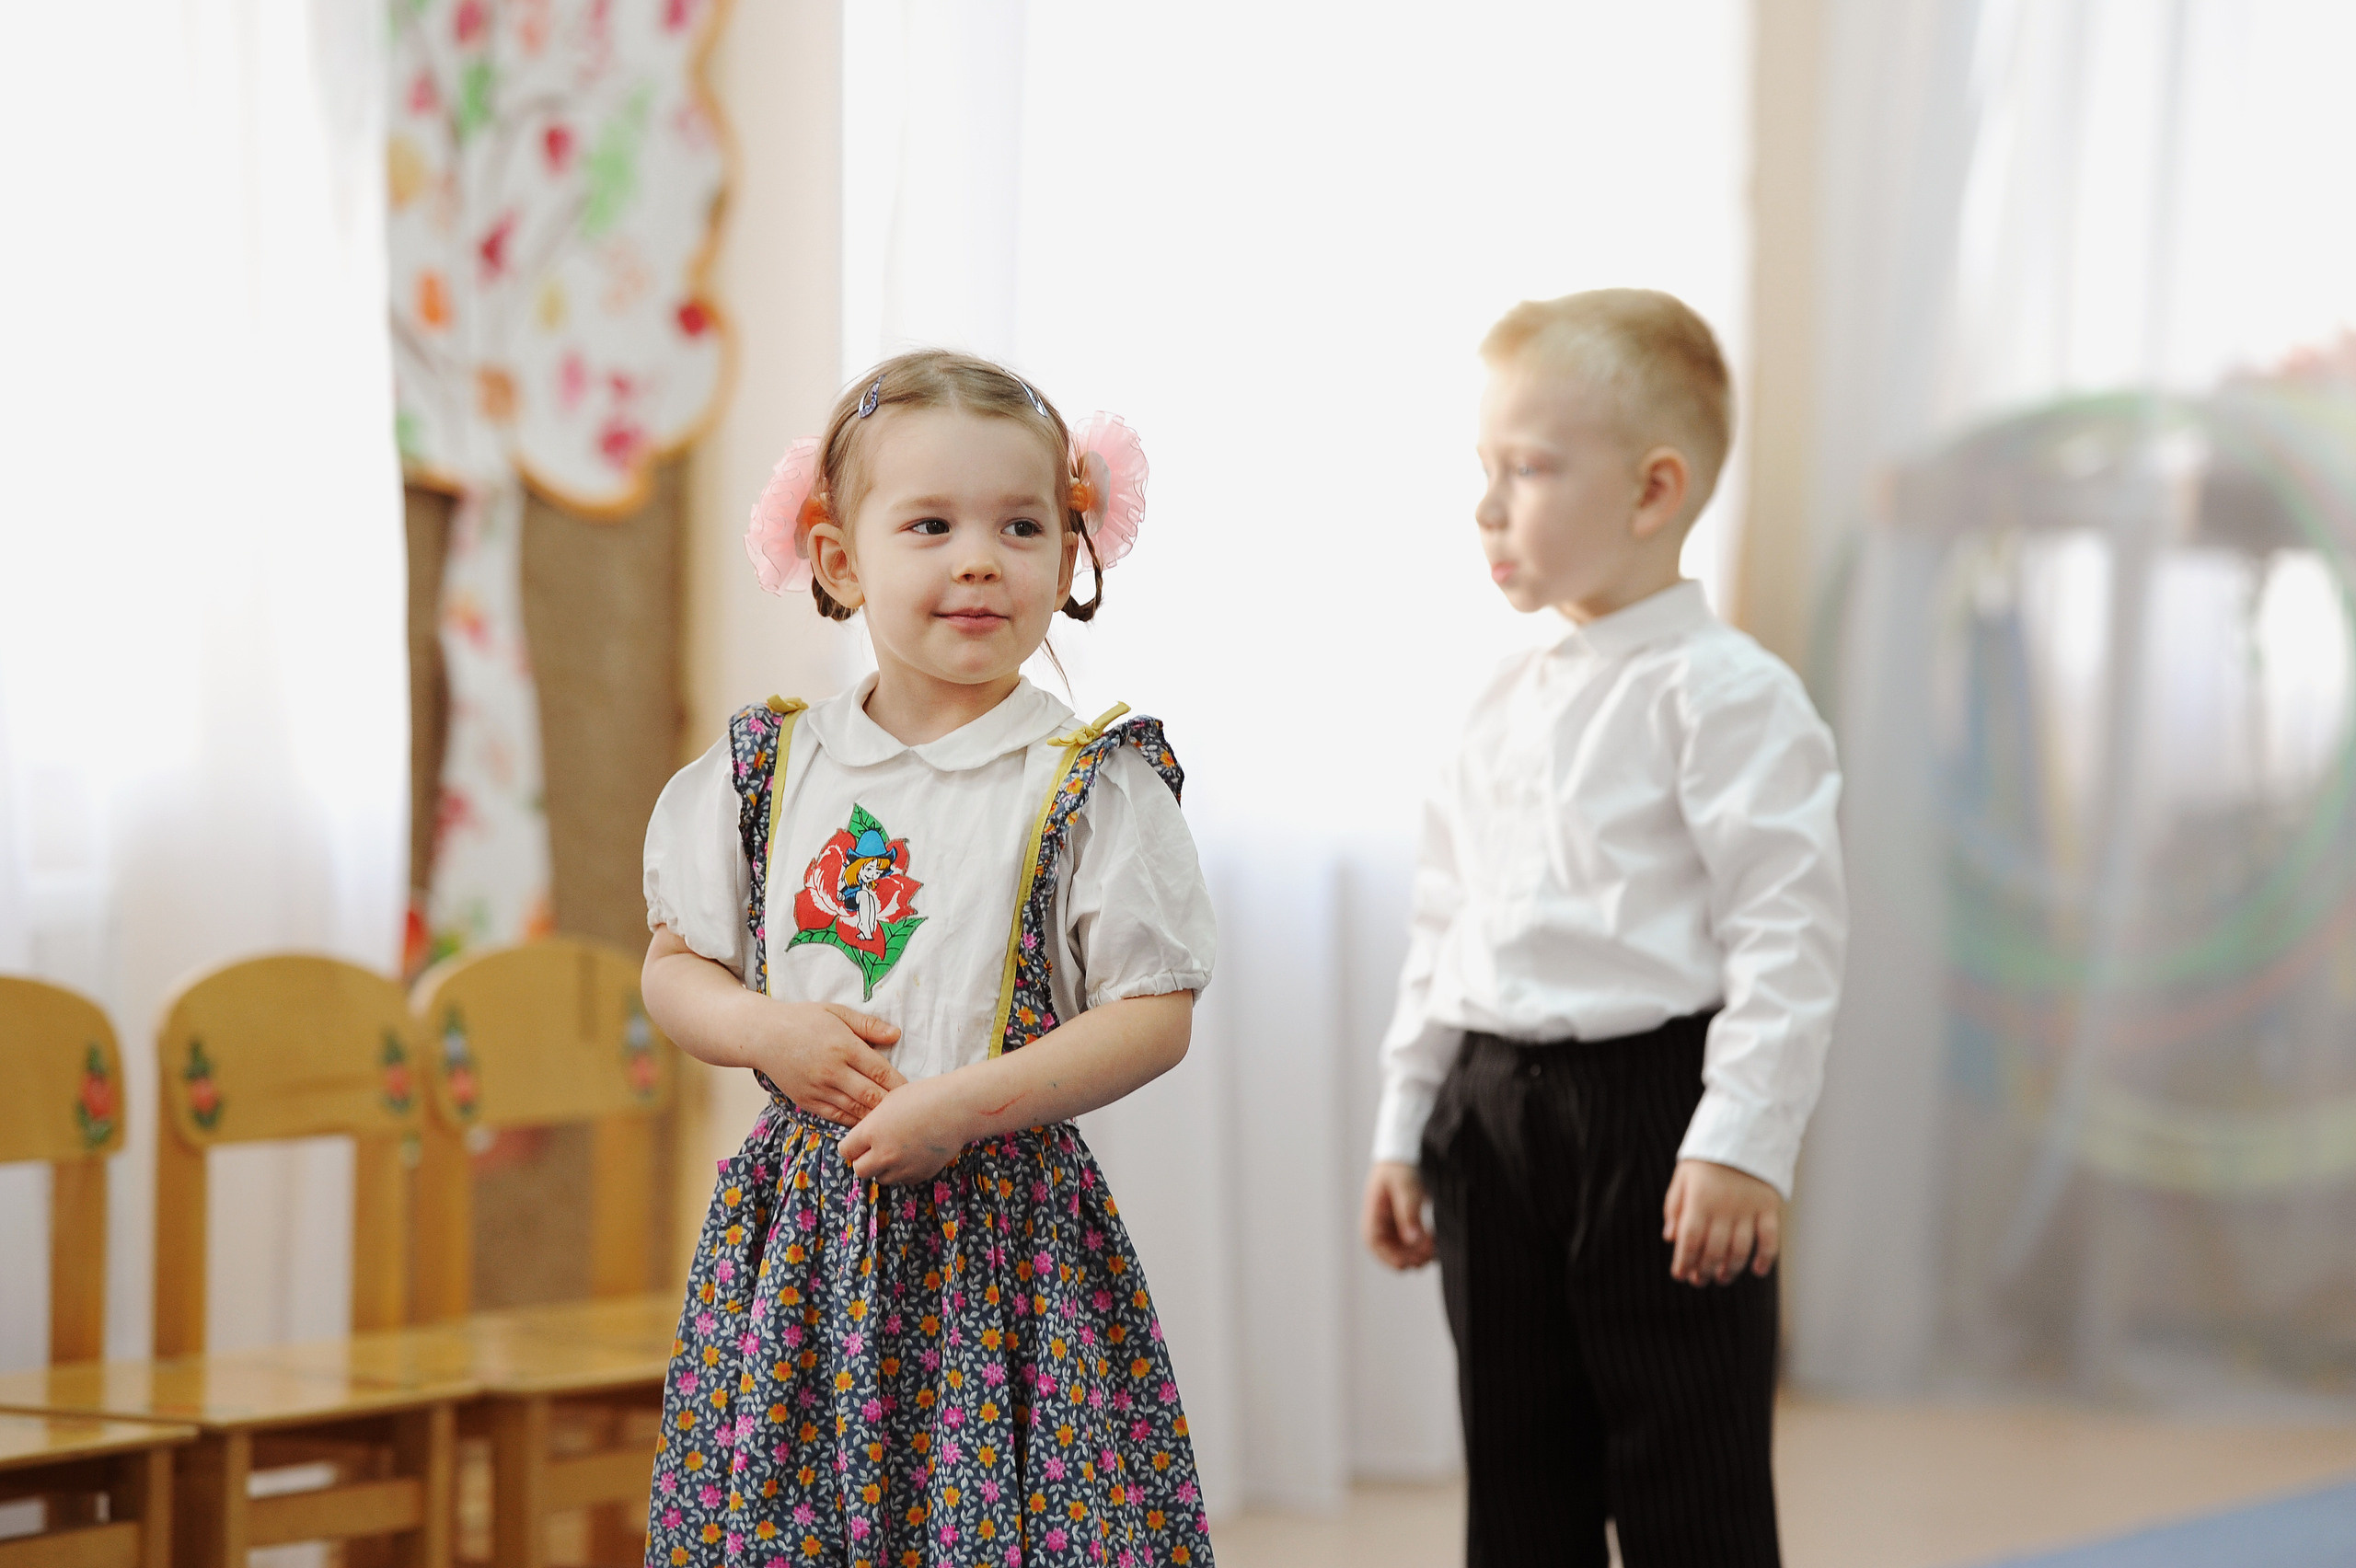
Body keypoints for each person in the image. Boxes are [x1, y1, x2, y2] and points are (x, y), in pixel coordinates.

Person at [640, 350, 1217, 1568]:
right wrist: (767, 1032)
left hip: (1002, 1243)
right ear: (842, 559)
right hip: (807, 1235)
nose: (977, 559)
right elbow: (675, 965)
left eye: (1021, 526)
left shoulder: (1087, 784)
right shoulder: (765, 771)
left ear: (1068, 560)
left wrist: (963, 1105)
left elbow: (1150, 1013)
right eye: (931, 524)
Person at [1360, 291, 1846, 1568]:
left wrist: (1744, 1139)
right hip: (1489, 1113)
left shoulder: (1728, 696)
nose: (1485, 509)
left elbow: (1788, 936)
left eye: (1524, 471)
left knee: (1688, 1471)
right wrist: (1404, 1124)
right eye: (1484, 471)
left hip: (1659, 1122)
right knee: (1518, 1471)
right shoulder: (1495, 704)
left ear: (1652, 491)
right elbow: (1443, 924)